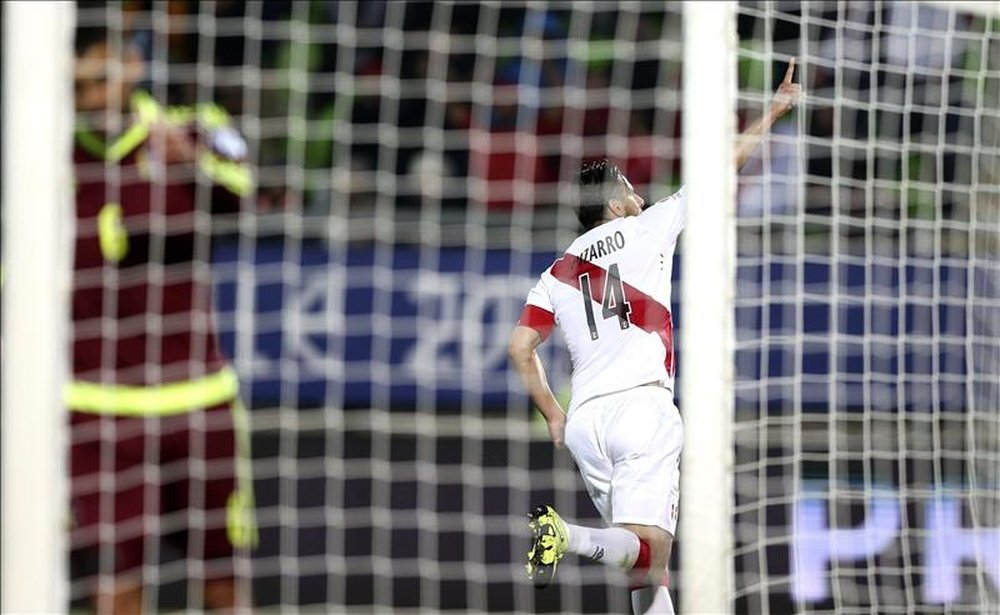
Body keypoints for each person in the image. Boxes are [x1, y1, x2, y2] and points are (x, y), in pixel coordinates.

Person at [508, 61, 801, 613]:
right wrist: (774, 110)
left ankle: (573, 538)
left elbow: (520, 348)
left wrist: (552, 414)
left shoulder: (554, 274)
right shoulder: (648, 226)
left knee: (645, 570)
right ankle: (564, 535)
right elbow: (722, 170)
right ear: (615, 206)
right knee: (652, 548)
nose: (638, 191)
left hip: (586, 423)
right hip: (643, 407)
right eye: (629, 188)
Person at [70, 21, 256, 614]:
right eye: (83, 84)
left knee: (222, 579)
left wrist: (190, 161)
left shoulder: (191, 129)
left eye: (105, 75)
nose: (97, 95)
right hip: (97, 413)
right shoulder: (42, 156)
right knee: (116, 582)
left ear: (133, 65)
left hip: (199, 406)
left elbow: (244, 186)